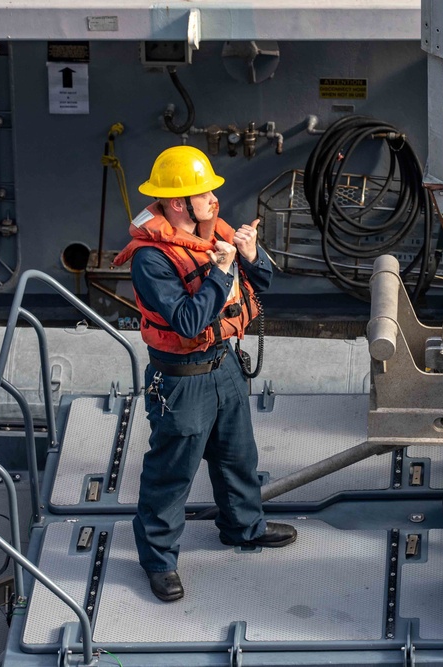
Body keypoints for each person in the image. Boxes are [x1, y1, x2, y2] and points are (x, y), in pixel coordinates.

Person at [113, 145, 296, 602]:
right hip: (182, 380)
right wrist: (220, 273)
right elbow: (189, 322)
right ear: (178, 202)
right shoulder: (151, 260)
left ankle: (242, 528)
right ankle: (158, 561)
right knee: (171, 475)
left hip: (226, 366)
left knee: (238, 457)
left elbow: (263, 286)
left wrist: (251, 256)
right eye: (204, 191)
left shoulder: (214, 232)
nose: (214, 197)